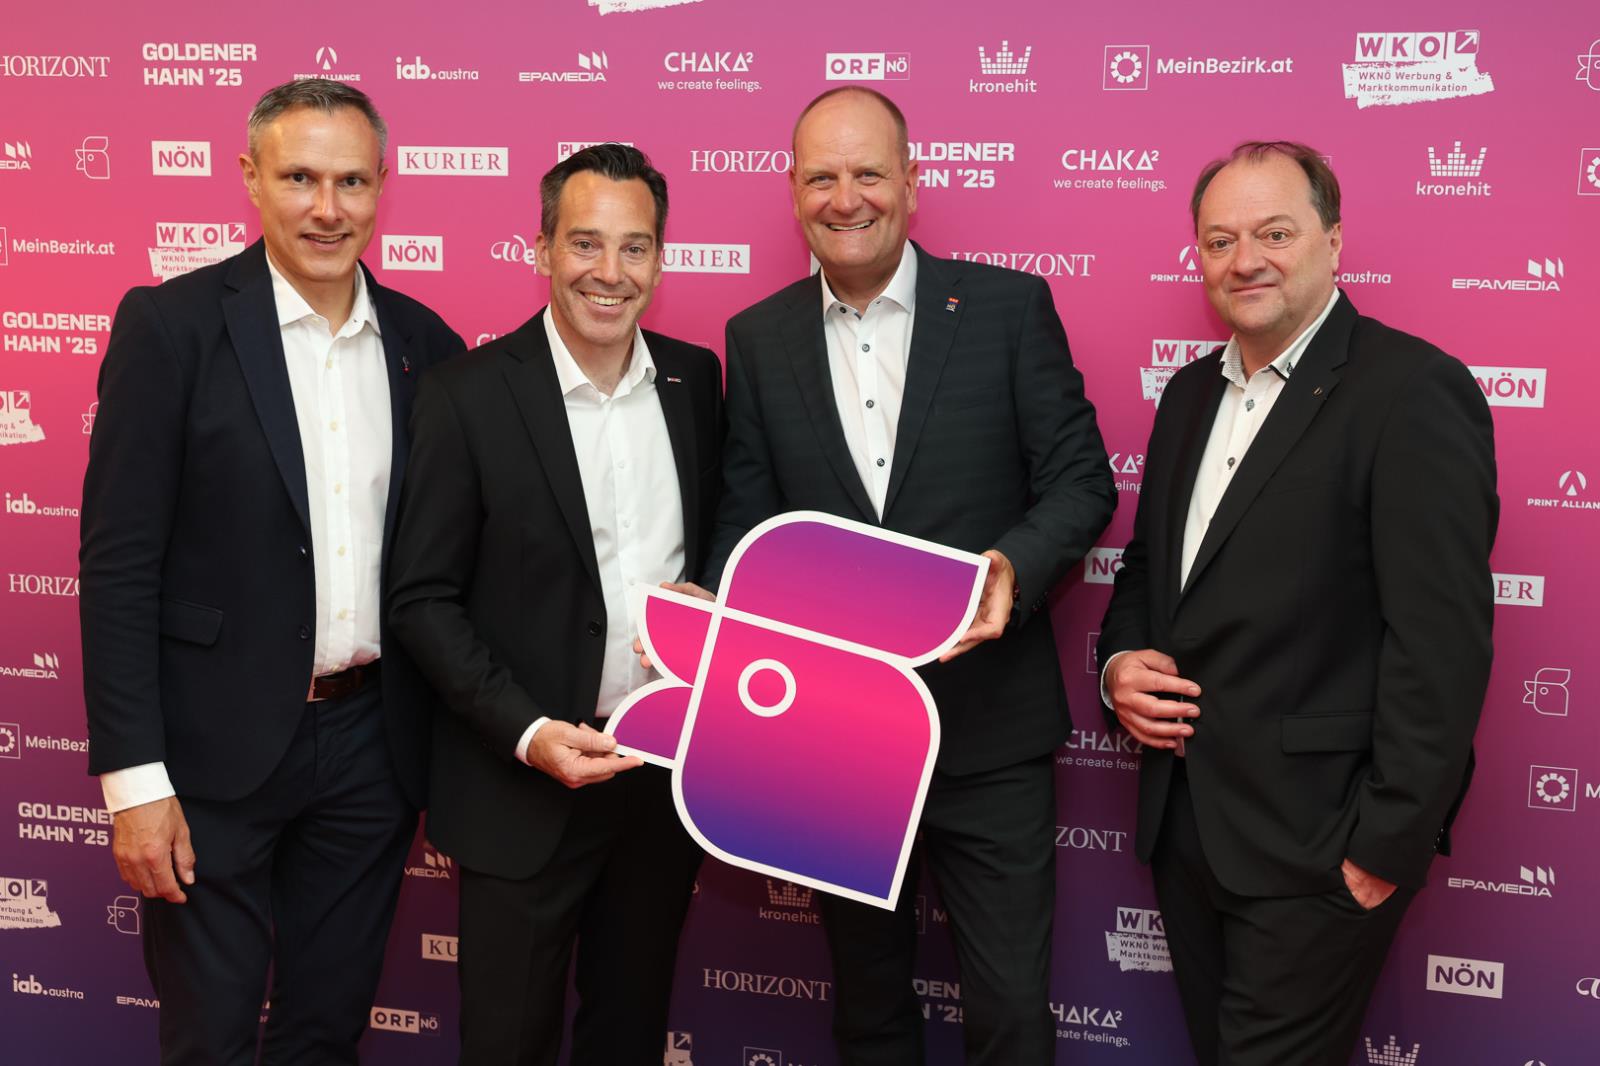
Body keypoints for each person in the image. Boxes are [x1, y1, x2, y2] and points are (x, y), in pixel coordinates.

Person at [705, 87, 1115, 1065]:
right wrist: (719, 602)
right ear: (793, 192)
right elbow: (747, 521)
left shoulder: (1008, 308)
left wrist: (1012, 566)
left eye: (868, 173)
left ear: (911, 183)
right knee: (870, 1012)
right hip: (835, 739)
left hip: (990, 730)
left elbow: (1081, 480)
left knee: (1010, 1014)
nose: (845, 198)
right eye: (821, 177)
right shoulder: (757, 338)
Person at [79, 79, 464, 1064]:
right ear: (250, 178)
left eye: (351, 181)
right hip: (208, 753)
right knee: (210, 1038)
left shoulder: (426, 345)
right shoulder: (170, 327)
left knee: (325, 1031)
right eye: (299, 178)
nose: (327, 208)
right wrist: (133, 782)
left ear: (383, 185)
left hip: (372, 750)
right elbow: (118, 565)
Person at [1097, 141, 1497, 1065]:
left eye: (1275, 233)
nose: (1246, 260)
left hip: (1321, 846)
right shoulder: (1188, 395)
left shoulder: (1411, 390)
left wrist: (1382, 849)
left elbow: (1441, 643)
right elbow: (1149, 572)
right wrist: (1119, 666)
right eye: (1220, 240)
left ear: (1334, 240)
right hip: (1187, 830)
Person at [387, 143, 722, 1065]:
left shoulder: (697, 382)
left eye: (635, 247)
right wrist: (529, 732)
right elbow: (421, 599)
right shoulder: (465, 395)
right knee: (507, 1045)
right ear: (540, 250)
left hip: (658, 781)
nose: (610, 272)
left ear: (660, 259)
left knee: (629, 1036)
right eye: (584, 243)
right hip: (518, 787)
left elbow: (720, 552)